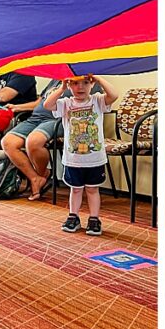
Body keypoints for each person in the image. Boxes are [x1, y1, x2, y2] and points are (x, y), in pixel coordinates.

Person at [1, 78, 101, 201]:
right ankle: (35, 178)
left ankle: (42, 174)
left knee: (33, 141)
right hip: (36, 118)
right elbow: (40, 102)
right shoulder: (56, 80)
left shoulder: (85, 82)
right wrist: (17, 107)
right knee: (8, 142)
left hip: (56, 120)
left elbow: (89, 105)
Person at [44, 74, 119, 235]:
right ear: (70, 85)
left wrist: (98, 79)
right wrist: (61, 88)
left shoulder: (97, 101)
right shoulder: (65, 104)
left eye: (85, 83)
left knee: (93, 189)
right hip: (73, 159)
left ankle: (94, 218)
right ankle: (73, 216)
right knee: (76, 189)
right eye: (75, 83)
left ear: (91, 85)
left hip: (94, 159)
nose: (80, 87)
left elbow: (114, 95)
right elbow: (47, 104)